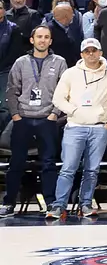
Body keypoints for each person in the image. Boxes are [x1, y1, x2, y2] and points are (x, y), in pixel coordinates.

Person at [47, 36, 107, 219]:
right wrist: (74, 111)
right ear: (82, 54)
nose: (91, 54)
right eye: (87, 51)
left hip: (99, 128)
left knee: (92, 169)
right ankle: (59, 206)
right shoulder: (71, 73)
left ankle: (86, 204)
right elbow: (58, 99)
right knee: (68, 168)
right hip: (74, 127)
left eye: (94, 50)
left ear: (100, 53)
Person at [3, 25, 65, 215]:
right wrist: (15, 115)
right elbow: (12, 90)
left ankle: (50, 203)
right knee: (16, 163)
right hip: (23, 118)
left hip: (48, 118)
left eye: (46, 37)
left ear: (50, 41)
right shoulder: (21, 62)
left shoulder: (59, 62)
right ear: (32, 40)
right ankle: (9, 202)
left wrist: (54, 113)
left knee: (48, 163)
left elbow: (64, 91)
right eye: (39, 37)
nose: (42, 40)